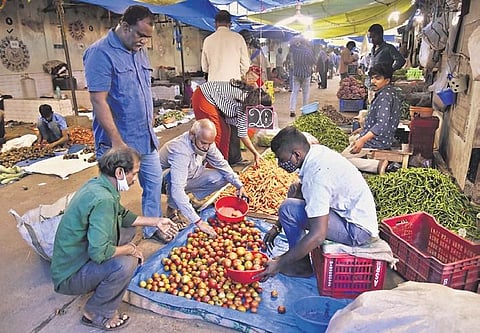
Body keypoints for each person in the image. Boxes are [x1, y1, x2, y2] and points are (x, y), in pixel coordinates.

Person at [51, 147, 178, 331]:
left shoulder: (99, 185)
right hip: (69, 276)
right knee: (126, 263)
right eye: (133, 173)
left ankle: (100, 282)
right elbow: (99, 252)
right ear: (119, 172)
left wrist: (156, 221)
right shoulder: (104, 200)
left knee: (127, 230)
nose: (135, 180)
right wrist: (129, 249)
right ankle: (96, 312)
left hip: (73, 259)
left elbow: (124, 215)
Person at [83, 5, 164, 241]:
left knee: (153, 182)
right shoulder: (100, 53)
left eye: (147, 38)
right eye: (140, 35)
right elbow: (98, 101)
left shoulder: (138, 49)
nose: (144, 42)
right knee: (112, 192)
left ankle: (152, 227)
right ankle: (106, 238)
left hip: (145, 136)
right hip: (118, 141)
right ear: (125, 26)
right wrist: (117, 143)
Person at [256, 126, 379, 279]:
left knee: (288, 209)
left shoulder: (317, 176)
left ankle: (301, 267)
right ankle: (298, 259)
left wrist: (279, 263)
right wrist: (277, 226)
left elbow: (318, 235)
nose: (280, 164)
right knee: (294, 188)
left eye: (282, 159)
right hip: (351, 214)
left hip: (357, 230)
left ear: (296, 154)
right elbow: (298, 190)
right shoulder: (315, 153)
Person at [160, 119, 248, 236]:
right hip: (163, 181)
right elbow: (177, 189)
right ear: (192, 135)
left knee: (222, 176)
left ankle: (190, 200)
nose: (206, 147)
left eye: (209, 144)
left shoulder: (207, 143)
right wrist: (198, 222)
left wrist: (239, 185)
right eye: (203, 143)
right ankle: (172, 208)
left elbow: (221, 163)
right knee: (175, 183)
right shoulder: (180, 150)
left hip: (190, 174)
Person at [192, 79, 271, 166]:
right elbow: (242, 134)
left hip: (212, 99)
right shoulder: (244, 102)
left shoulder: (250, 98)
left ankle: (222, 164)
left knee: (225, 131)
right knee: (215, 134)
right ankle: (211, 168)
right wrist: (255, 153)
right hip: (203, 96)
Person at [341, 63, 403, 174]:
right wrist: (363, 129)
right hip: (382, 138)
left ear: (387, 80)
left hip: (377, 142)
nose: (373, 81)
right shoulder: (388, 92)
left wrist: (362, 140)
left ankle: (378, 165)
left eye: (378, 78)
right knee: (350, 143)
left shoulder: (385, 97)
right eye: (372, 78)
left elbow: (381, 124)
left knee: (342, 160)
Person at [201, 10, 250, 82]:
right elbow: (245, 65)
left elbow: (204, 67)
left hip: (214, 85)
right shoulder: (238, 38)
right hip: (233, 84)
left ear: (215, 24)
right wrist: (237, 74)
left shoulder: (208, 40)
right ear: (230, 24)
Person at [288, 37, 316, 117]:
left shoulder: (295, 49)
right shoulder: (308, 51)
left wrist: (297, 39)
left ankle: (292, 110)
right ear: (306, 43)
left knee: (294, 92)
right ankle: (305, 111)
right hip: (306, 74)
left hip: (296, 73)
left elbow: (291, 44)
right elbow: (313, 61)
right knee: (305, 93)